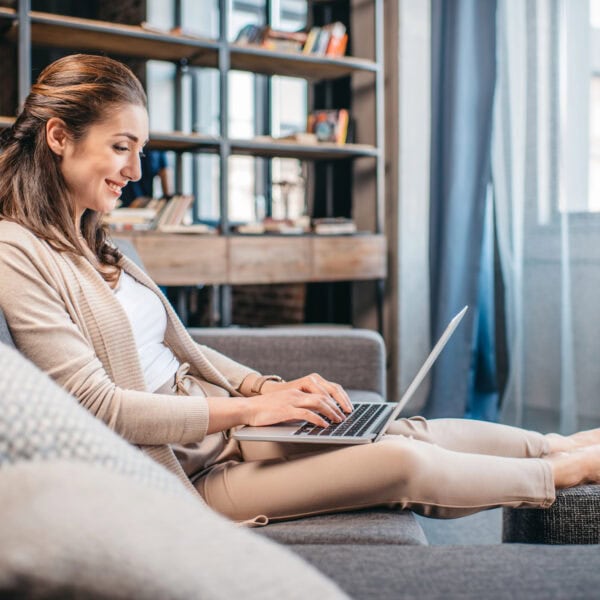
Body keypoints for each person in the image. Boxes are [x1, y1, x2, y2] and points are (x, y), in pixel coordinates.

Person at [1, 54, 600, 525]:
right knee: (400, 460)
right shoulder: (15, 252)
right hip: (180, 472)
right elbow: (100, 408)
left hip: (221, 432)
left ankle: (559, 444)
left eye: (141, 151)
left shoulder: (98, 242)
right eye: (121, 147)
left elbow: (179, 346)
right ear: (59, 136)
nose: (135, 170)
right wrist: (256, 408)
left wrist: (266, 387)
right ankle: (562, 476)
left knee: (396, 427)